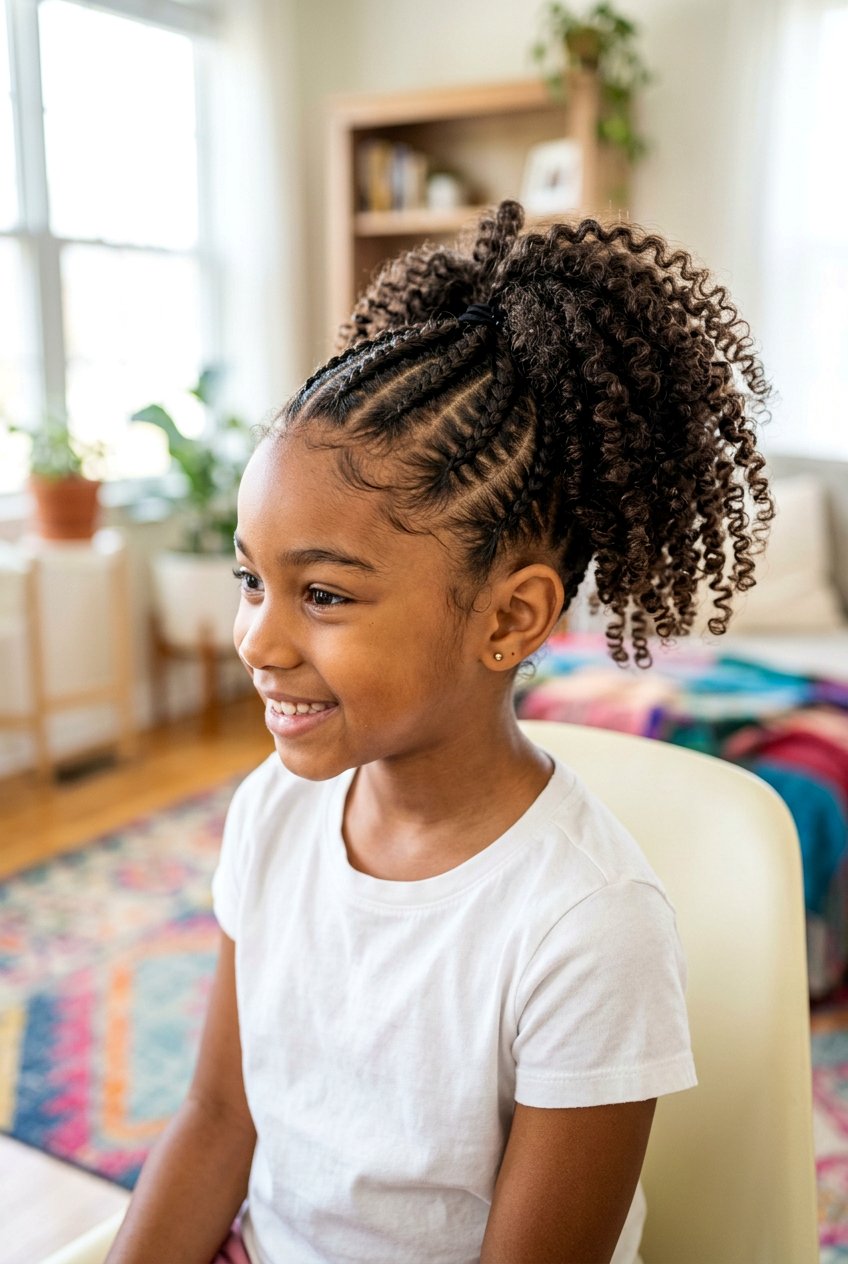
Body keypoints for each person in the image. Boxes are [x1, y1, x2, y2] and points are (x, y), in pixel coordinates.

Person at [107, 200, 774, 1264]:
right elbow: (219, 1118)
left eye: (323, 594)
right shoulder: (271, 811)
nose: (256, 639)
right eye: (250, 579)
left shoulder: (588, 925)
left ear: (509, 619)